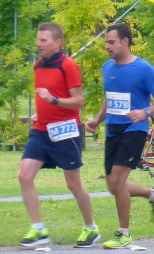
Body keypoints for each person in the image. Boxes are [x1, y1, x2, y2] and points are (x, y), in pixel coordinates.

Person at [18, 23, 100, 248]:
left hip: (65, 132)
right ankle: (38, 229)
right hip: (41, 131)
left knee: (73, 184)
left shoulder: (68, 65)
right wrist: (40, 111)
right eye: (38, 40)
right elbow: (46, 96)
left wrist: (53, 101)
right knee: (24, 176)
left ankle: (90, 228)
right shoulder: (37, 66)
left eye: (43, 40)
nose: (38, 44)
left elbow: (78, 101)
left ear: (57, 43)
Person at [84, 23, 154, 249]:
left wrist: (145, 112)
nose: (107, 47)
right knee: (113, 185)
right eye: (106, 43)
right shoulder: (107, 67)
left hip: (134, 130)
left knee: (117, 182)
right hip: (112, 130)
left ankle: (124, 234)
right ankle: (153, 194)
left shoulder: (143, 68)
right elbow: (109, 98)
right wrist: (97, 120)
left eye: (111, 42)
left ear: (125, 41)